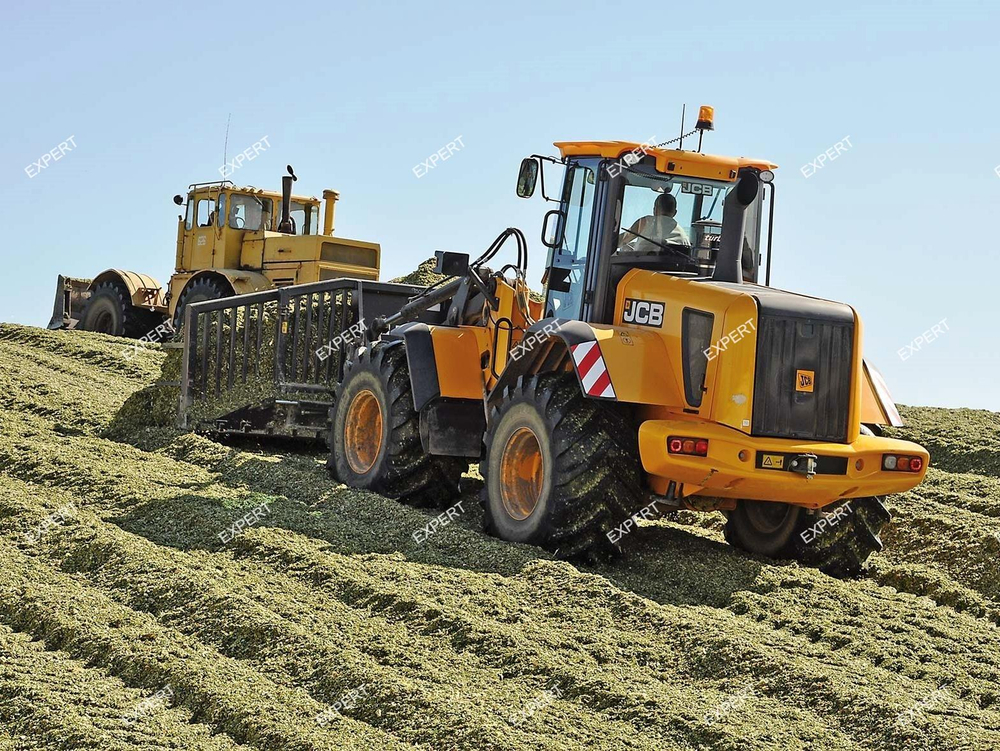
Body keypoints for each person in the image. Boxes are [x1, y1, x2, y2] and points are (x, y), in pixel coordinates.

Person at [618, 192, 691, 253]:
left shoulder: (645, 222)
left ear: (654, 210)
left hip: (639, 268)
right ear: (675, 213)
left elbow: (620, 241)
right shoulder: (684, 238)